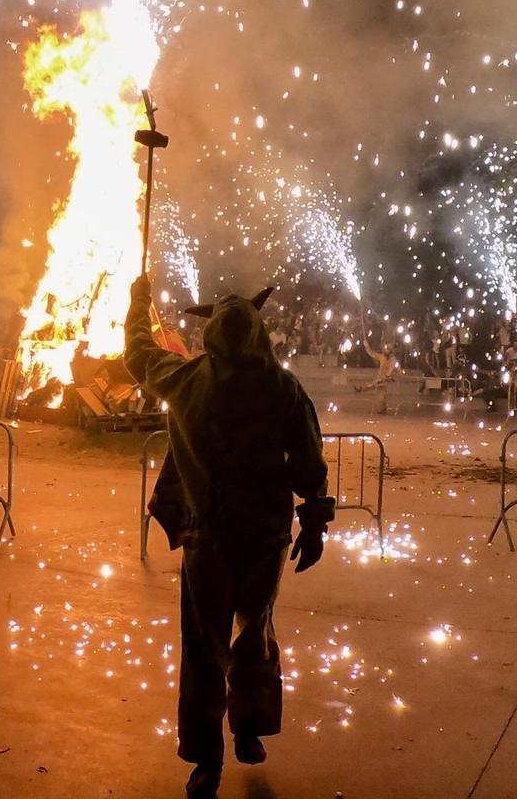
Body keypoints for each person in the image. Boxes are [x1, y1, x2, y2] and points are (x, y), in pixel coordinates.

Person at [123, 274, 333, 799]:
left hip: (209, 540)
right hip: (264, 540)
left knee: (203, 645)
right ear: (260, 335)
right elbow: (309, 464)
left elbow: (138, 353)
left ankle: (206, 758)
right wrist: (312, 521)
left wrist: (138, 301)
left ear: (210, 335)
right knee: (255, 632)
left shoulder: (186, 380)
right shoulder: (284, 389)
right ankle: (248, 728)